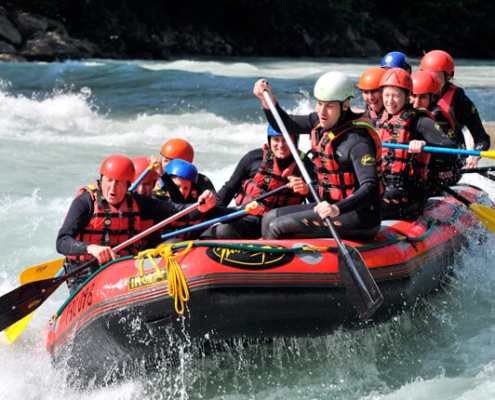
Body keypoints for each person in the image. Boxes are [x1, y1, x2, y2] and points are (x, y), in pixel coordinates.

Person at [253, 71, 384, 241]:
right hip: (329, 207)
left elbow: (371, 188)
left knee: (277, 226)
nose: (322, 112)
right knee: (269, 217)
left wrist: (337, 209)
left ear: (345, 105)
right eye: (319, 104)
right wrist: (266, 98)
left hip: (360, 217)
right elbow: (286, 123)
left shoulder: (357, 141)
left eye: (329, 106)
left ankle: (279, 265)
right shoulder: (322, 121)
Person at [56, 154, 215, 293]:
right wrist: (91, 248)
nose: (112, 188)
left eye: (119, 183)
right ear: (101, 179)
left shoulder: (139, 202)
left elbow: (179, 212)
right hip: (84, 271)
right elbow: (62, 241)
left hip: (121, 268)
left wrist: (202, 207)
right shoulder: (85, 203)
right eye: (109, 181)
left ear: (127, 185)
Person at [200, 124, 314, 239]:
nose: (281, 145)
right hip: (248, 219)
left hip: (281, 225)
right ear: (269, 140)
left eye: (286, 140)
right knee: (222, 230)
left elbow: (318, 203)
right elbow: (227, 190)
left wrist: (307, 190)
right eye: (276, 140)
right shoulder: (253, 158)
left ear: (295, 141)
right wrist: (214, 210)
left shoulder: (306, 165)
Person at [377, 68, 457, 219]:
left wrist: (424, 145)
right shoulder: (381, 119)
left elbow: (452, 151)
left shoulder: (421, 121)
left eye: (396, 96)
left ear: (407, 96)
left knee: (368, 209)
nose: (389, 101)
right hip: (383, 185)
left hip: (409, 191)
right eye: (386, 95)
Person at [420, 50, 490, 168]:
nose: (431, 82)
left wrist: (473, 156)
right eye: (428, 76)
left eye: (436, 77)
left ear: (448, 76)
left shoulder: (459, 100)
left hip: (450, 161)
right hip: (421, 157)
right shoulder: (412, 95)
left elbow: (482, 139)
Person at [409, 71, 463, 187]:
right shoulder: (403, 114)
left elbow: (453, 153)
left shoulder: (440, 119)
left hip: (441, 172)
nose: (416, 103)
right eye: (413, 96)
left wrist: (446, 167)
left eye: (423, 97)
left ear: (432, 98)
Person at [150, 138, 217, 198]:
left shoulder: (201, 181)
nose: (168, 166)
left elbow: (217, 204)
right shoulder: (153, 179)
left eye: (173, 163)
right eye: (165, 161)